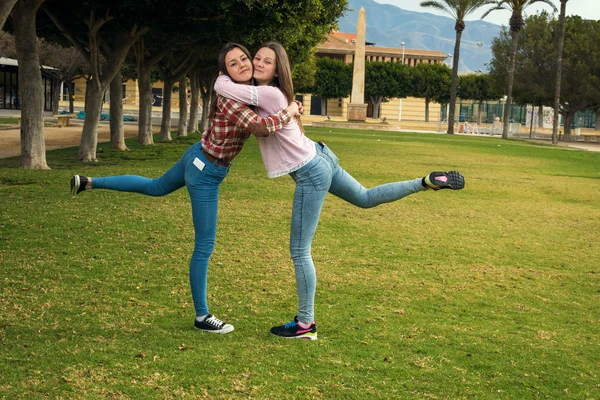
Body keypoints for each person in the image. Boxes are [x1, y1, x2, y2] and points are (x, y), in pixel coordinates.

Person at [214, 41, 465, 340]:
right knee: (366, 197)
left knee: (299, 250)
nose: (256, 64)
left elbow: (226, 88)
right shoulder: (278, 95)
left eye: (266, 62)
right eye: (256, 58)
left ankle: (305, 325)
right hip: (321, 157)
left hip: (311, 171)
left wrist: (220, 74)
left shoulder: (267, 93)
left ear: (278, 70)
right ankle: (424, 182)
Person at [69, 43, 300, 334]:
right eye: (233, 63)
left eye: (244, 58)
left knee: (155, 187)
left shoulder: (243, 88)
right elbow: (260, 127)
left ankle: (89, 182)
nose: (242, 64)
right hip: (206, 171)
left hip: (198, 155)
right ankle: (202, 316)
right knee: (204, 245)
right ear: (224, 71)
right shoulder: (231, 98)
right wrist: (290, 109)